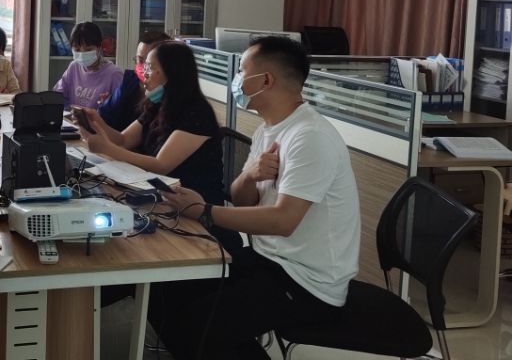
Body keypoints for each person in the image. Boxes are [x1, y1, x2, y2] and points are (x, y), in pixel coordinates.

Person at [151, 36, 361, 360]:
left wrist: (203, 211)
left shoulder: (309, 137)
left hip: (307, 283)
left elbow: (283, 221)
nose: (237, 79)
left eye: (242, 71)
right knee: (165, 292)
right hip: (266, 261)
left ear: (266, 80)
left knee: (198, 327)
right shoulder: (267, 130)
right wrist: (250, 175)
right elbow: (240, 198)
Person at [79, 41, 235, 248]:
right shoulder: (157, 103)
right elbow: (124, 140)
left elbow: (162, 165)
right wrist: (97, 122)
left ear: (171, 73)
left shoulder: (196, 112)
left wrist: (107, 149)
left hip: (195, 208)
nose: (144, 73)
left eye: (150, 68)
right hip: (163, 199)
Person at [98, 30, 171, 130]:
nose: (144, 68)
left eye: (149, 62)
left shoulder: (170, 96)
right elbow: (105, 115)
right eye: (140, 60)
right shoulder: (130, 81)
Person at [53, 22, 123, 109]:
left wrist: (108, 105)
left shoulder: (114, 74)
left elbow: (122, 109)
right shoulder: (74, 67)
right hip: (74, 117)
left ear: (99, 47)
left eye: (88, 49)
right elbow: (58, 95)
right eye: (77, 50)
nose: (82, 54)